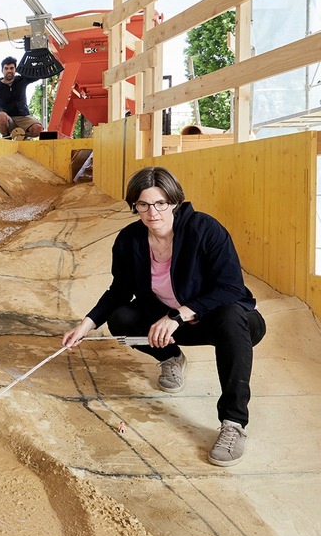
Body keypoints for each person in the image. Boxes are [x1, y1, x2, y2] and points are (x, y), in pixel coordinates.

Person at [62, 166, 266, 467]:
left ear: (174, 201)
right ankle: (171, 358)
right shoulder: (130, 240)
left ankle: (234, 423)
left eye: (160, 203)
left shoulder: (205, 229)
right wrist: (86, 324)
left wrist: (177, 315)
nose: (152, 212)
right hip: (169, 326)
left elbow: (231, 287)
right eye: (143, 204)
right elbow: (119, 290)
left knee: (232, 315)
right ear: (135, 205)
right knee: (121, 318)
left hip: (223, 321)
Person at [0, 56, 43, 138]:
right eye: (6, 68)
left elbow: (39, 74)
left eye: (11, 68)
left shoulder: (22, 80)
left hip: (23, 117)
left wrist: (42, 62)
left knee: (38, 129)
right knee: (1, 116)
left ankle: (21, 136)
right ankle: (7, 137)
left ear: (15, 69)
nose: (9, 71)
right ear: (2, 70)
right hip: (7, 119)